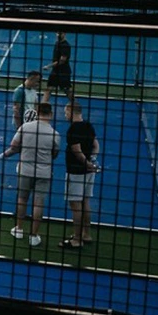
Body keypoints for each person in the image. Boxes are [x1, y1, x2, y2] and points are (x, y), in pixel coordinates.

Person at [0, 101, 60, 248]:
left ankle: (19, 229)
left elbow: (14, 146)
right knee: (38, 203)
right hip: (44, 172)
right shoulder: (55, 134)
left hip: (25, 170)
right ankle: (33, 236)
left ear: (37, 112)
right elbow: (54, 154)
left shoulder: (25, 127)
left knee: (22, 199)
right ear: (51, 114)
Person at [60, 100, 100, 250]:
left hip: (76, 171)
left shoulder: (73, 129)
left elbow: (76, 150)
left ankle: (76, 239)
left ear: (71, 111)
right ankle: (86, 234)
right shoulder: (88, 126)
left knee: (75, 205)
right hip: (89, 172)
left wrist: (86, 163)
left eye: (66, 112)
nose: (65, 115)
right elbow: (96, 145)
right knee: (85, 202)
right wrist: (92, 160)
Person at [47, 31, 73, 102]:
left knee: (67, 91)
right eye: (57, 33)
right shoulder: (57, 43)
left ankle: (75, 106)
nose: (58, 35)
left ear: (64, 34)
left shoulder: (66, 46)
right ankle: (42, 105)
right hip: (55, 71)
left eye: (60, 33)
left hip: (63, 72)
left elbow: (62, 60)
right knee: (49, 89)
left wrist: (49, 66)